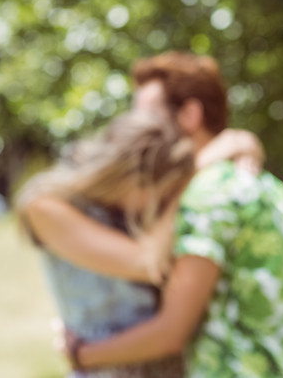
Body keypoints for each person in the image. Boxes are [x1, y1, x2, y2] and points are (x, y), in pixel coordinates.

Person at [25, 51, 283, 377]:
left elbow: (165, 313)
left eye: (148, 113)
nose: (137, 124)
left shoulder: (205, 197)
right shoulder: (265, 186)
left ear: (189, 114)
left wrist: (81, 355)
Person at [18, 112, 196, 377]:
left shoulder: (125, 211)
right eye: (163, 193)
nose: (163, 203)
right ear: (131, 177)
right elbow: (146, 263)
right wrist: (187, 186)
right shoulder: (45, 204)